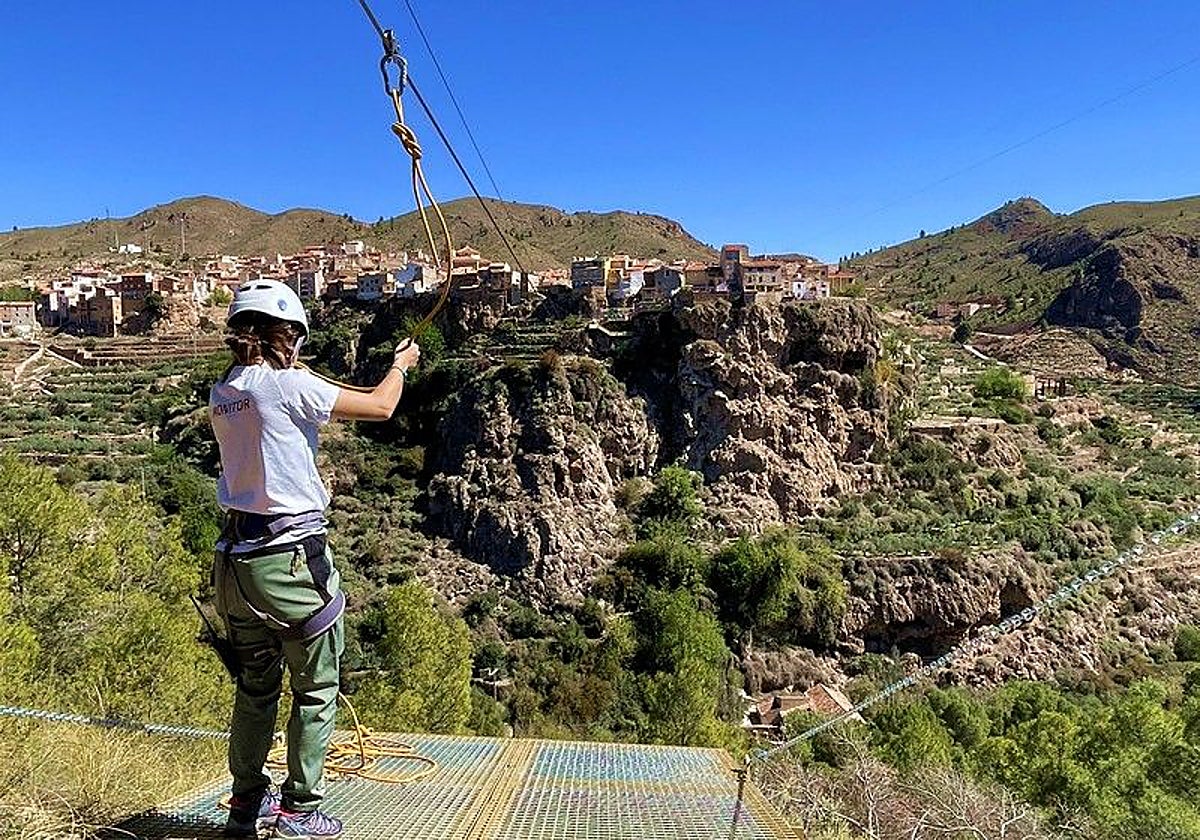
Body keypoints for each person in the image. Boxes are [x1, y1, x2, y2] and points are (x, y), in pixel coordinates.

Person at [209, 279, 420, 839]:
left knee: (256, 685)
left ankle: (246, 804)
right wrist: (401, 364)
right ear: (291, 336)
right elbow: (380, 405)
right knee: (317, 685)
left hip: (234, 562)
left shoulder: (224, 389)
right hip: (288, 560)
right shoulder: (289, 383)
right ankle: (301, 811)